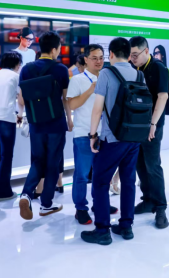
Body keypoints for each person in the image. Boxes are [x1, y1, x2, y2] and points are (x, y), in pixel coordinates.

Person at [81, 37, 141, 245]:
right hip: (133, 138)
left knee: (100, 182)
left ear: (111, 54)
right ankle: (126, 226)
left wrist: (92, 135)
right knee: (128, 181)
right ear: (129, 54)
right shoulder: (138, 74)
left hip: (112, 138)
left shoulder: (107, 74)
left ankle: (102, 230)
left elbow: (98, 108)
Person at [18, 31, 73, 220]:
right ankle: (46, 204)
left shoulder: (26, 69)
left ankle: (26, 194)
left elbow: (22, 99)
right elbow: (65, 99)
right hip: (56, 122)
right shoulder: (61, 69)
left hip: (36, 123)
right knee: (52, 162)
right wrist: (69, 119)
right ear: (55, 49)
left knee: (37, 160)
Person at [68, 44, 118, 225]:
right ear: (86, 60)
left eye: (101, 58)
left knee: (101, 174)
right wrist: (91, 89)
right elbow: (72, 105)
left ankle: (99, 204)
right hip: (83, 133)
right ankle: (81, 208)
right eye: (94, 58)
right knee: (82, 174)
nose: (99, 61)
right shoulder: (78, 80)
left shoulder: (109, 77)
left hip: (105, 134)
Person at [129, 36, 169, 229]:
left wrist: (153, 123)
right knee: (139, 164)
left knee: (153, 165)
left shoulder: (158, 68)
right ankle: (148, 200)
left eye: (136, 54)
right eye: (130, 55)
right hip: (136, 124)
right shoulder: (133, 68)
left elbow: (163, 96)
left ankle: (161, 207)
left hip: (153, 124)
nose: (132, 58)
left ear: (146, 51)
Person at [0, 51, 24, 201]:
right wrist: (20, 114)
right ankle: (4, 191)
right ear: (17, 64)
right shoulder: (16, 77)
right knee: (6, 155)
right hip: (7, 119)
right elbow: (21, 99)